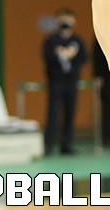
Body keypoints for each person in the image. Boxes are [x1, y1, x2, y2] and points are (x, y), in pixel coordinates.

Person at [42, 8, 88, 155]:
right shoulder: (51, 40)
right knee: (53, 113)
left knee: (70, 113)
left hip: (72, 82)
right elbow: (47, 57)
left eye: (69, 18)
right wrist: (59, 54)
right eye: (63, 18)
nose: (66, 22)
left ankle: (66, 144)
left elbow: (84, 58)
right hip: (56, 82)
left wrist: (71, 55)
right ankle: (49, 145)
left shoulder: (77, 40)